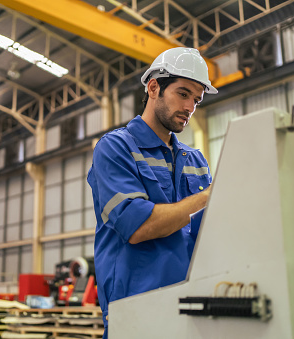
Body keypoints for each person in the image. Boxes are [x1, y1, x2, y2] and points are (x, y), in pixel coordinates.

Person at [87, 47, 218, 338]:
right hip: (136, 308)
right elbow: (137, 226)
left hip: (190, 307)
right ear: (154, 87)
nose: (190, 108)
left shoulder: (195, 160)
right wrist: (209, 196)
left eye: (196, 99)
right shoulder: (115, 148)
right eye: (183, 94)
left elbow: (209, 234)